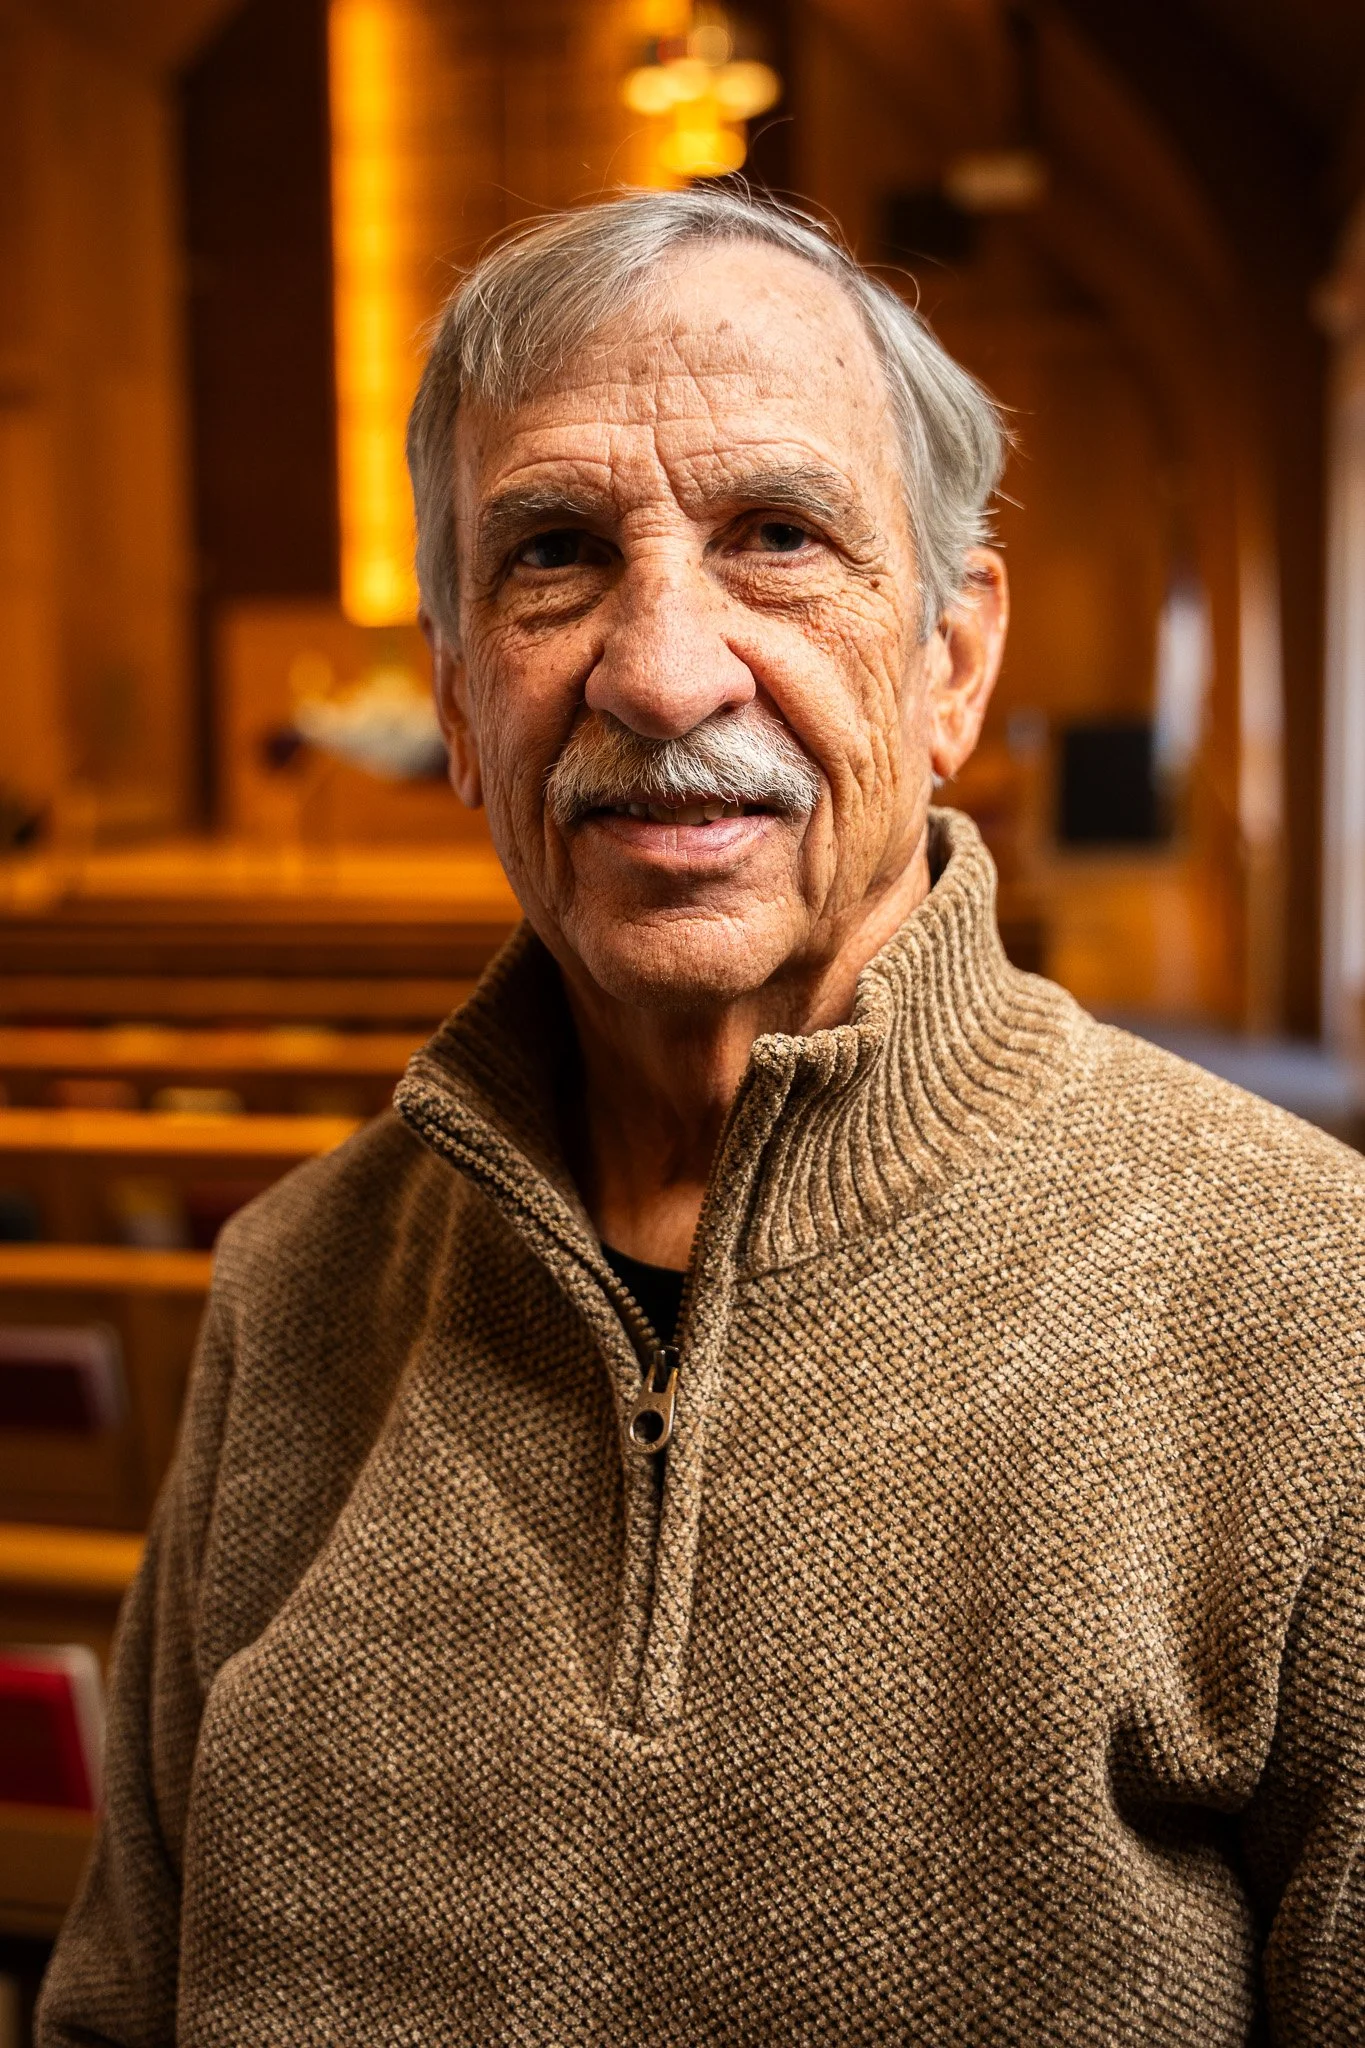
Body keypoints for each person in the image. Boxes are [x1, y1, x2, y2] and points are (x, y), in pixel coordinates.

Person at [39, 188, 1365, 2046]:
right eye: (557, 557)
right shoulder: (292, 1288)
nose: (662, 672)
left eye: (780, 538)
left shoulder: (1313, 1311)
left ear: (949, 662)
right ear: (453, 683)